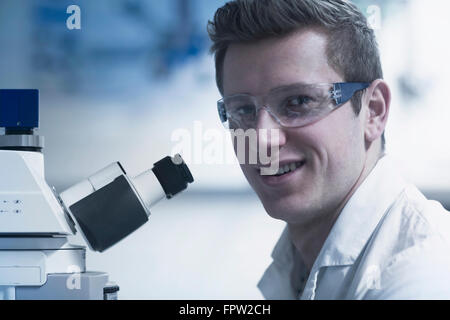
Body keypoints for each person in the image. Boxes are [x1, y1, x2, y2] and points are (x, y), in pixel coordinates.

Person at [207, 0, 450, 300]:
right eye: (242, 109)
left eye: (298, 102)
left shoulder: (420, 273)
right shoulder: (296, 265)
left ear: (373, 111)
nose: (262, 140)